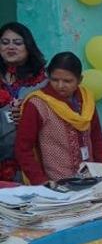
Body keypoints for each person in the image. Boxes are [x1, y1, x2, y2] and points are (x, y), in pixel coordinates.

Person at [15, 52, 102, 184]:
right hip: (57, 184)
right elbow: (23, 148)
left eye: (67, 81)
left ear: (80, 80)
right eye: (55, 80)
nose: (60, 86)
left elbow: (97, 138)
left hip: (91, 178)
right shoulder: (37, 103)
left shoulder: (86, 100)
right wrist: (40, 180)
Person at [0, 22, 48, 181]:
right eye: (5, 42)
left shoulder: (43, 82)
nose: (10, 47)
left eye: (17, 43)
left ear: (28, 46)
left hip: (33, 162)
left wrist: (28, 114)